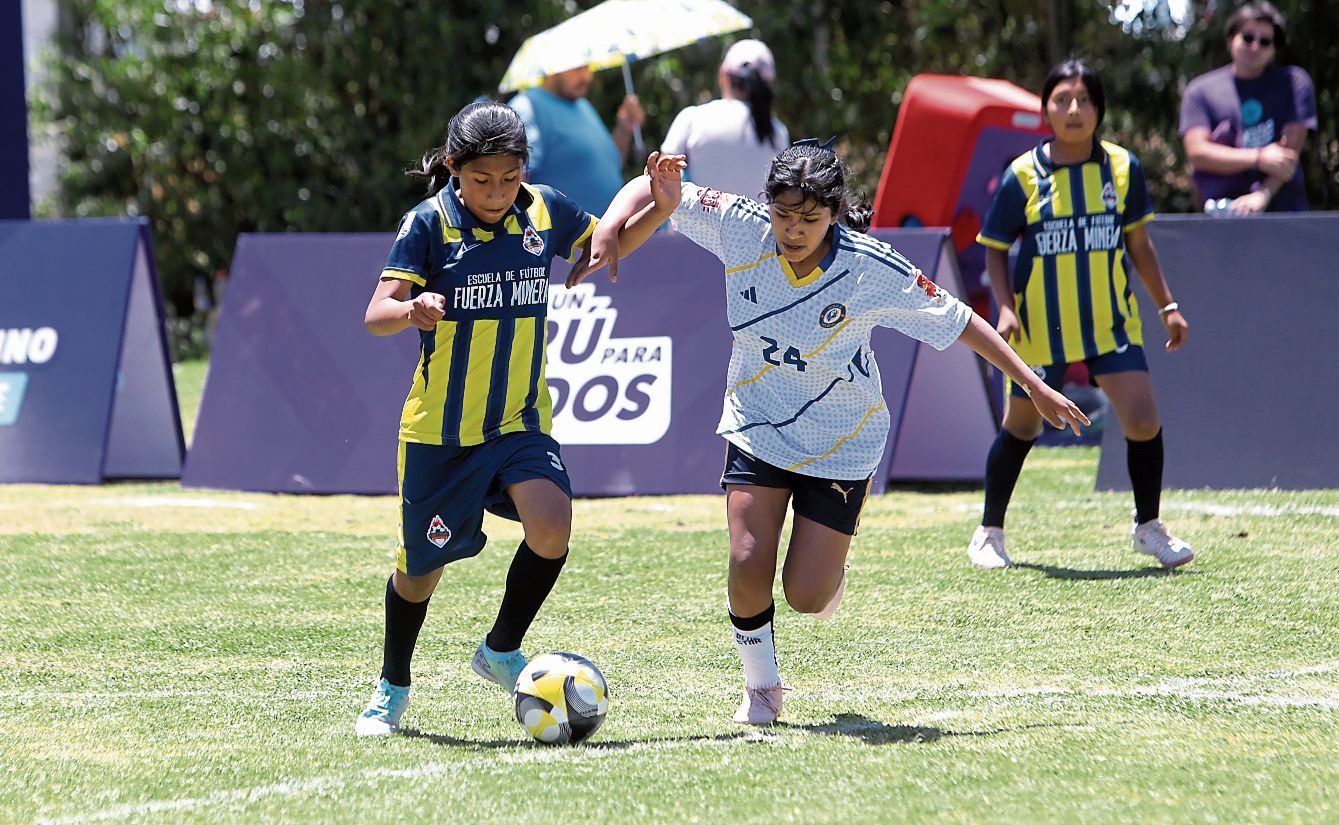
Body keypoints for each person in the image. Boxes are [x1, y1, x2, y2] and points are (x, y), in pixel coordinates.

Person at [567, 143, 1090, 726]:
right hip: (757, 421)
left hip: (843, 438)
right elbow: (657, 190)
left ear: (835, 213)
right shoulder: (740, 224)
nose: (793, 230)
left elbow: (959, 319)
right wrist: (611, 225)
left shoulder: (871, 267)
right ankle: (762, 687)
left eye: (809, 219)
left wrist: (1032, 384)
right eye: (783, 215)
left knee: (806, 596)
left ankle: (828, 569)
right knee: (746, 560)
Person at [355, 100, 601, 737]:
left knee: (552, 525)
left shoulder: (544, 210)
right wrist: (411, 312)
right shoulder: (427, 224)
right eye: (481, 179)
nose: (496, 192)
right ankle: (392, 686)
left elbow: (607, 240)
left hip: (519, 419)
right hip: (441, 432)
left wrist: (657, 204)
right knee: (419, 573)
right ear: (453, 168)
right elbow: (376, 314)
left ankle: (499, 649)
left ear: (524, 170)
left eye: (509, 177)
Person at [966, 59, 1194, 572]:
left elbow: (1139, 244)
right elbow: (995, 248)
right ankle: (989, 533)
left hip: (1110, 323)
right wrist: (1005, 307)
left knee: (1143, 418)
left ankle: (1149, 527)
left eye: (1085, 100)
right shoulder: (1022, 175)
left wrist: (1168, 306)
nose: (1074, 109)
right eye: (1062, 100)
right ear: (1045, 109)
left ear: (1099, 109)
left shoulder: (1122, 167)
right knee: (1021, 428)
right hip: (1039, 329)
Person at [1179, 1, 1317, 214]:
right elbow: (1198, 152)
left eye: (1265, 42)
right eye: (1248, 37)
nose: (1255, 47)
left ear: (1274, 49)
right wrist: (1259, 158)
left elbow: (1287, 155)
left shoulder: (1293, 82)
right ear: (1231, 39)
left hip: (1285, 215)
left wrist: (1263, 194)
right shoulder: (1200, 90)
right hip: (1221, 215)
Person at [660, 38, 790, 198]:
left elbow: (661, 181)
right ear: (768, 85)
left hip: (697, 215)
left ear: (723, 75)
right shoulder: (777, 132)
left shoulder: (692, 119)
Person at [508, 65, 645, 215]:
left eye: (587, 67)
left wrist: (624, 129)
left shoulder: (583, 105)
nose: (587, 77)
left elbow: (610, 165)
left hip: (608, 227)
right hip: (562, 229)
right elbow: (514, 182)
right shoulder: (527, 106)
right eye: (578, 68)